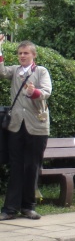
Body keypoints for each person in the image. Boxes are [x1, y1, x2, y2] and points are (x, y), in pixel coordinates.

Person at [0, 36, 52, 221]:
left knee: (32, 166)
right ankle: (9, 209)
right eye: (20, 53)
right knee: (16, 167)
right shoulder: (14, 71)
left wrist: (33, 92)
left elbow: (46, 92)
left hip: (37, 126)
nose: (22, 56)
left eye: (26, 53)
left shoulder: (41, 71)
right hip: (16, 126)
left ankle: (28, 207)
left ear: (33, 55)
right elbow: (1, 72)